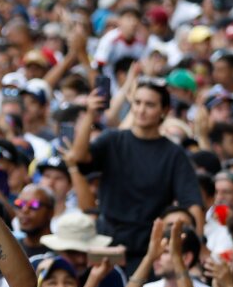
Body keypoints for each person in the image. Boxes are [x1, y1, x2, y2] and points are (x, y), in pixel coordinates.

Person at [70, 80, 205, 260]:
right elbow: (78, 157)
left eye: (149, 105)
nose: (141, 110)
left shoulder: (174, 155)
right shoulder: (112, 140)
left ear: (164, 110)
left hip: (147, 249)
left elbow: (192, 203)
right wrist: (89, 115)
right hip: (106, 242)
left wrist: (198, 247)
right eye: (137, 102)